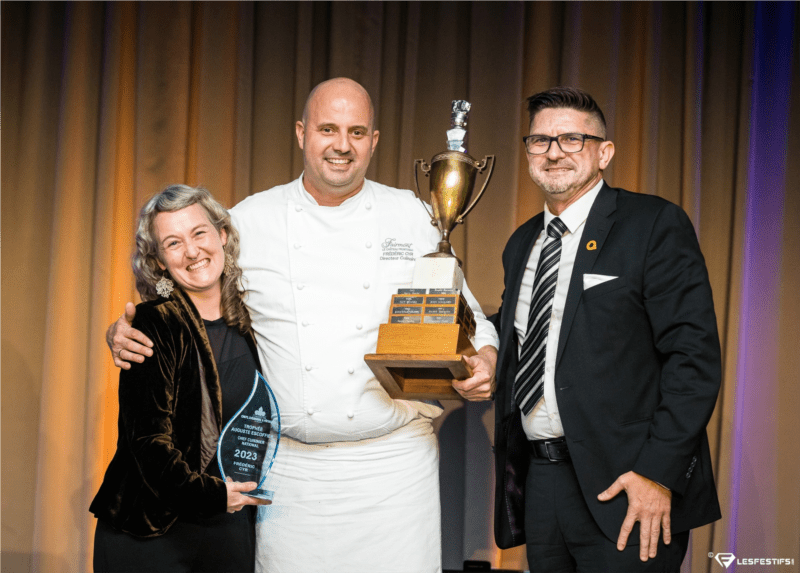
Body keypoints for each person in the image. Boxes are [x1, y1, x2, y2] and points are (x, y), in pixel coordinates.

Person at [107, 78, 499, 572]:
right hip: (291, 474)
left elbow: (469, 315)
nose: (341, 145)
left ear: (374, 141)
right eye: (327, 129)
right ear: (301, 134)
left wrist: (485, 356)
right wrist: (129, 329)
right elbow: (190, 291)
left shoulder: (415, 214)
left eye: (357, 132)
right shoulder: (251, 221)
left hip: (395, 469)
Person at [490, 87, 721, 572]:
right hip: (543, 480)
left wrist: (658, 474)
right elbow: (530, 335)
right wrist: (477, 352)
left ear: (604, 152)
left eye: (572, 139)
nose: (554, 152)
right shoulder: (522, 242)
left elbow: (693, 359)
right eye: (540, 140)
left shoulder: (653, 224)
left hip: (629, 484)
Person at [90, 185, 268, 572]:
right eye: (173, 242)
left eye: (199, 233)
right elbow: (148, 443)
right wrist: (214, 496)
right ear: (158, 261)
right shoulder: (152, 325)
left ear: (222, 235)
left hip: (228, 526)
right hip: (151, 534)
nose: (191, 251)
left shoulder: (254, 323)